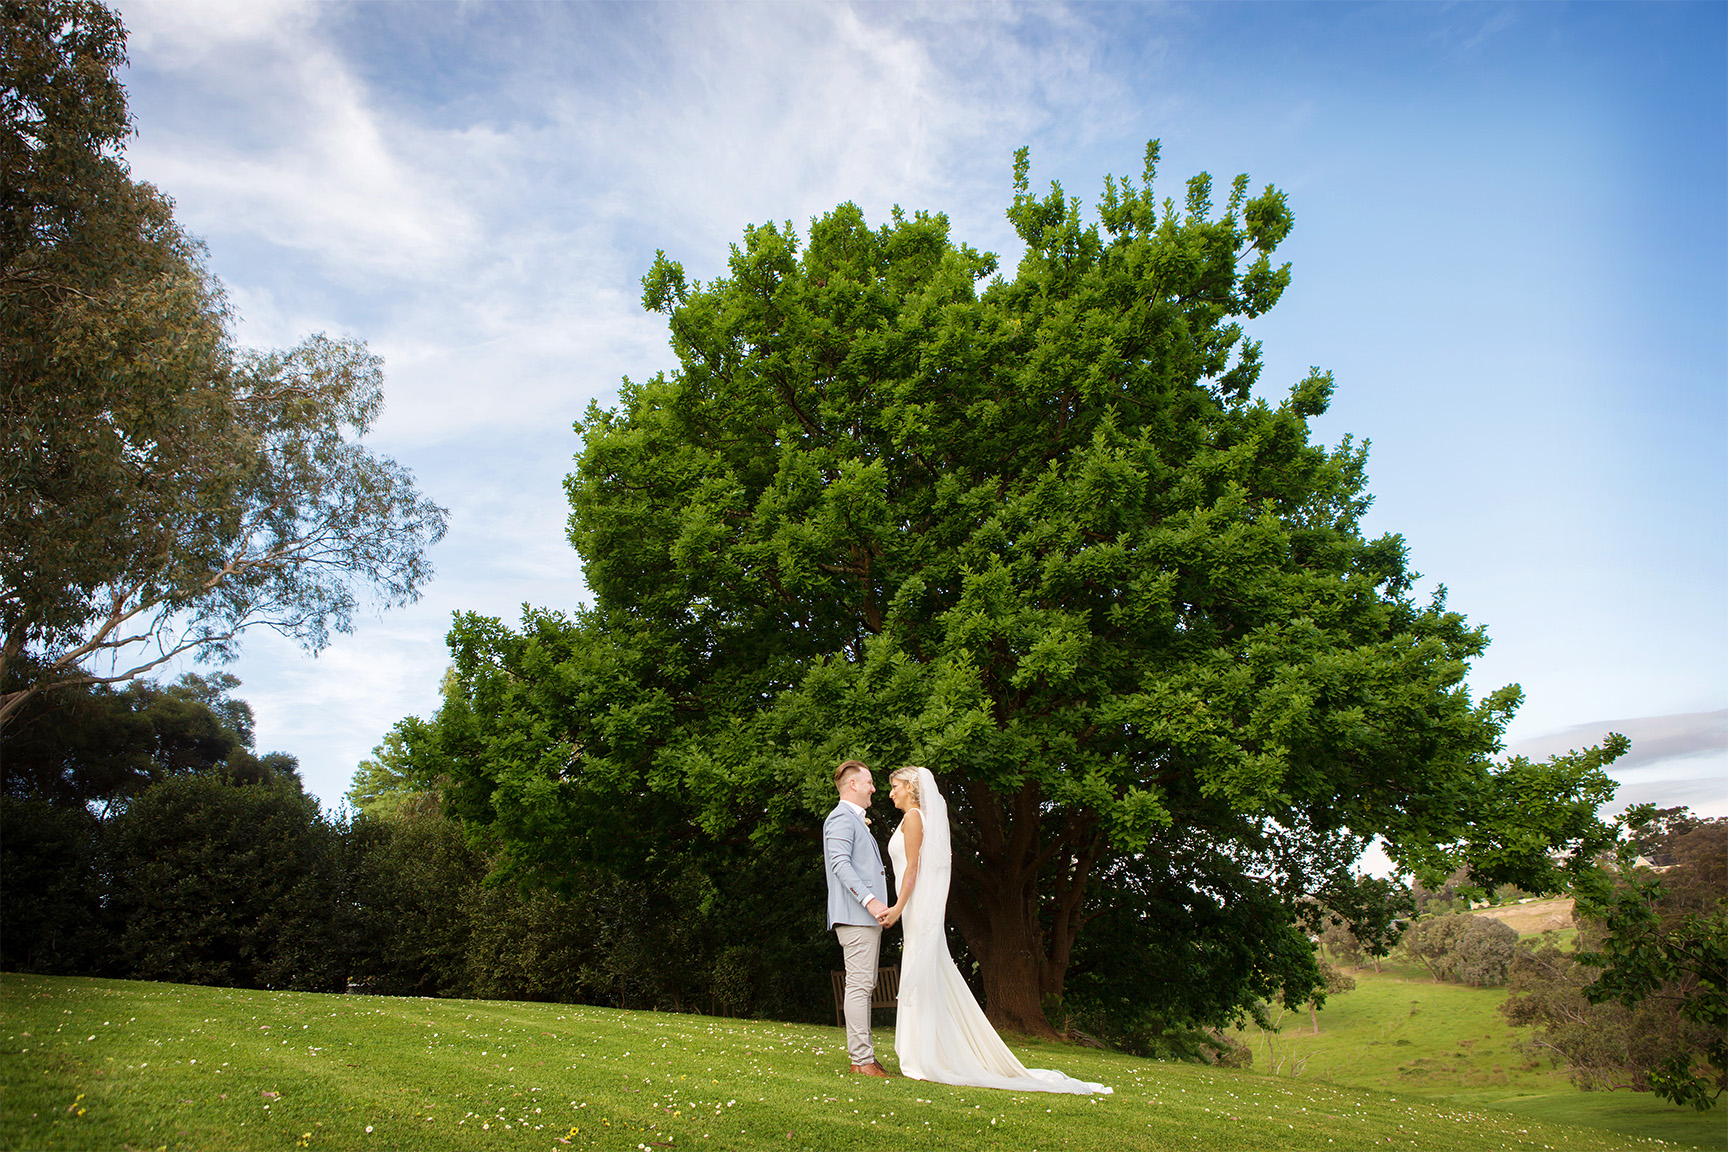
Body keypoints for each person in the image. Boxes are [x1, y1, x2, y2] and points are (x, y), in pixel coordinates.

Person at [881, 765, 1111, 1094]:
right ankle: (924, 1050)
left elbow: (914, 867)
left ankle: (927, 1054)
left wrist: (898, 906)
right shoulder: (910, 818)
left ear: (911, 789)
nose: (891, 793)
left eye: (896, 787)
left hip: (914, 907)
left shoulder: (915, 817)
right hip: (912, 909)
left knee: (924, 971)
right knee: (924, 972)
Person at [822, 758, 892, 1077]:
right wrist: (871, 901)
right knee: (859, 986)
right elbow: (840, 864)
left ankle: (864, 1058)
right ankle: (861, 1061)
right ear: (853, 784)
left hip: (863, 918)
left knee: (863, 985)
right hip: (856, 916)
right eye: (869, 782)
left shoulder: (853, 819)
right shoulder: (840, 818)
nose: (873, 789)